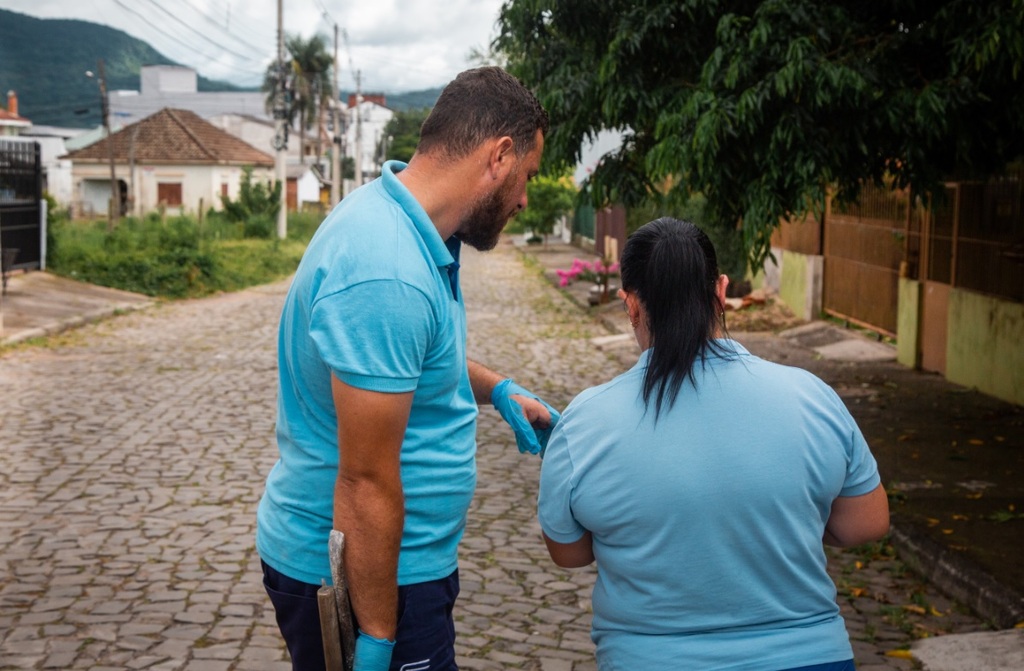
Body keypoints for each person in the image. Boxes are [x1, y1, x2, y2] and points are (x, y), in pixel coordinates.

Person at [256, 66, 558, 671]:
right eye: (526, 175)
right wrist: (377, 638)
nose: (525, 198)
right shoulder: (387, 268)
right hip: (373, 577)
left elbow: (415, 359)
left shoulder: (409, 228)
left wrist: (495, 389)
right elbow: (365, 481)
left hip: (400, 567)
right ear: (499, 155)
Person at [537, 217, 890, 671]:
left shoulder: (585, 421)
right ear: (721, 291)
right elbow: (866, 522)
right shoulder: (810, 395)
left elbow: (568, 553)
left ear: (631, 306)